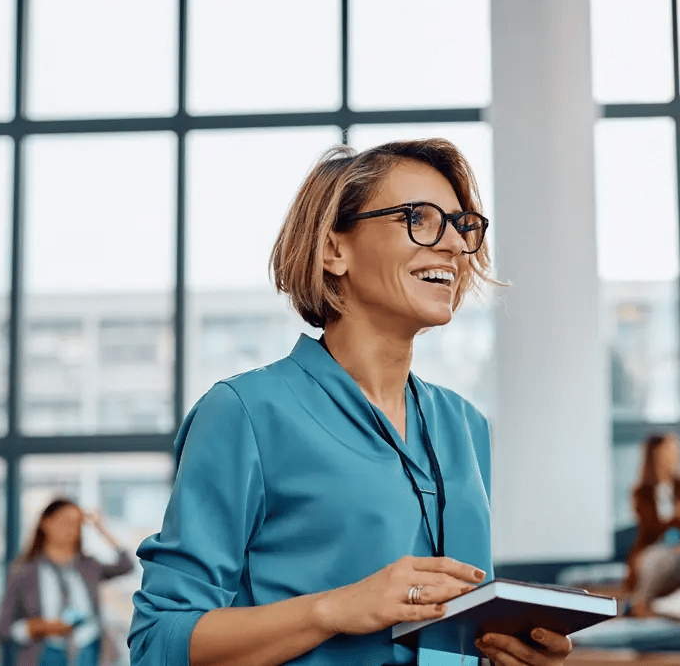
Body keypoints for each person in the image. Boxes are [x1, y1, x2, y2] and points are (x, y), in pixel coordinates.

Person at [128, 140, 573, 666]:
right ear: (333, 249)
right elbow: (159, 642)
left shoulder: (465, 425)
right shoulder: (244, 413)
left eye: (460, 225)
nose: (453, 243)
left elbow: (449, 637)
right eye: (420, 218)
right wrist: (336, 609)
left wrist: (501, 653)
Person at [0, 498, 134, 666]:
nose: (72, 528)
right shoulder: (23, 571)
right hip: (44, 654)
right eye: (65, 521)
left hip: (89, 651)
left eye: (77, 523)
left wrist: (101, 527)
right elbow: (3, 629)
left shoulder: (89, 565)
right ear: (45, 523)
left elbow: (127, 565)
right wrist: (35, 628)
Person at [623, 431, 680, 617]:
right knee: (656, 558)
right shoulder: (641, 492)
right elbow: (651, 530)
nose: (677, 452)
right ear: (656, 453)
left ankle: (644, 604)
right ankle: (642, 603)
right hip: (653, 549)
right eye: (671, 447)